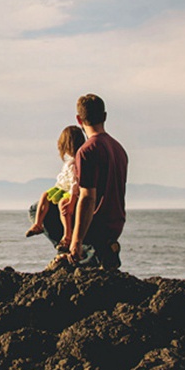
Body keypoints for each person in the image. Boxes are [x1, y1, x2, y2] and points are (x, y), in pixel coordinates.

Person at [57, 93, 128, 270]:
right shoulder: (119, 149)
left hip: (97, 226)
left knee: (39, 209)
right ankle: (104, 249)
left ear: (79, 120)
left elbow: (88, 198)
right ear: (104, 117)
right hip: (116, 223)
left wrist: (76, 240)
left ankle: (82, 254)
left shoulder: (87, 151)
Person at [26, 125, 86, 248]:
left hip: (70, 190)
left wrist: (72, 200)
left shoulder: (77, 163)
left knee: (62, 204)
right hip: (62, 187)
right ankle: (38, 224)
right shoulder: (69, 162)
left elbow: (75, 183)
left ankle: (67, 234)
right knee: (45, 196)